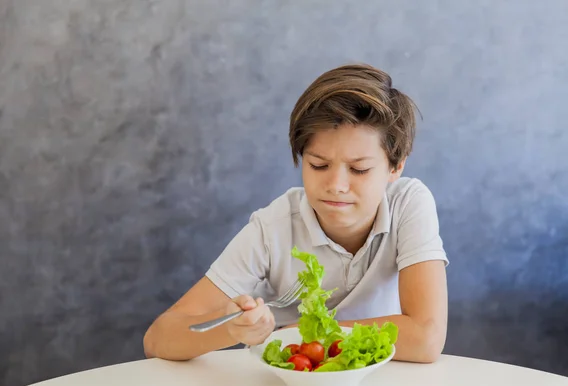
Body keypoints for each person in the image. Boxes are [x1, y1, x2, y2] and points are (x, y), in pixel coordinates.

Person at [143, 63, 449, 363]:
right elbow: (158, 339)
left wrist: (298, 334)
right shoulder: (273, 228)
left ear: (395, 166)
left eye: (359, 169)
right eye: (318, 165)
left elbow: (426, 338)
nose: (336, 185)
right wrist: (230, 328)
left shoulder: (408, 203)